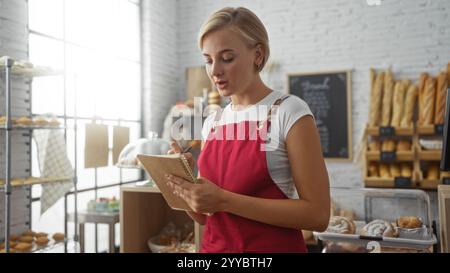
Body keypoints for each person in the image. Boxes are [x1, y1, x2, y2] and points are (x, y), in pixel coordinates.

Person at [165, 7, 330, 253]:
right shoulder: (214, 122)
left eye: (227, 58)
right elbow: (208, 217)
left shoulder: (289, 111)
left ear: (258, 55)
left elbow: (317, 215)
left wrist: (223, 199)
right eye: (208, 60)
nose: (215, 71)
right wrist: (186, 187)